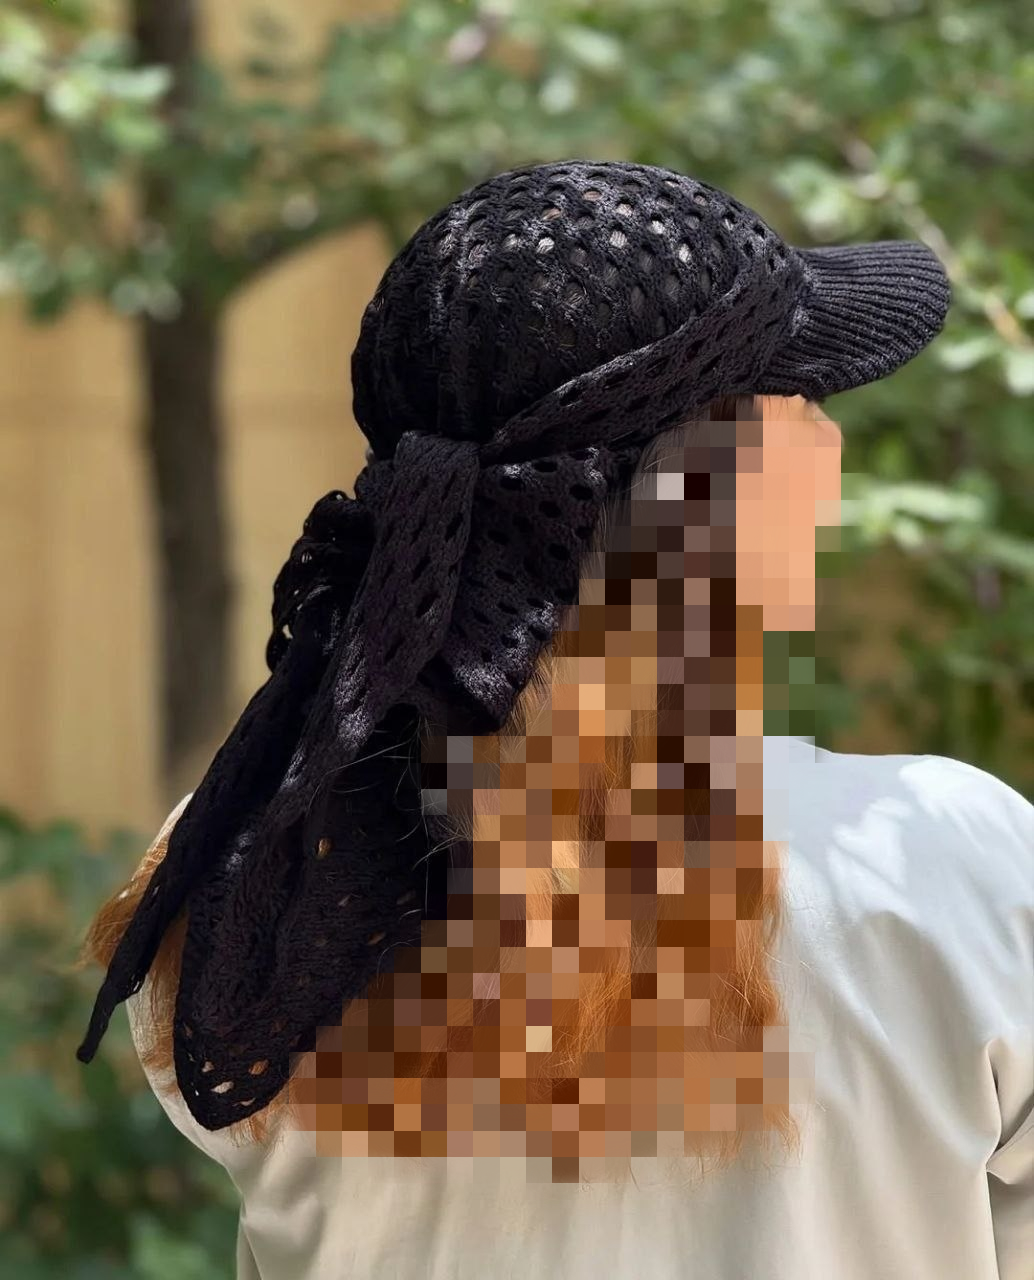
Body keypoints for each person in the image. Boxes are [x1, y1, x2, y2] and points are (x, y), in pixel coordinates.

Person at [77, 161, 1032, 1279]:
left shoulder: (254, 874)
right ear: (703, 497)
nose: (831, 445)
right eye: (803, 404)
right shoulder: (955, 860)